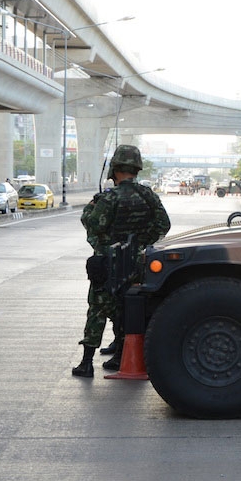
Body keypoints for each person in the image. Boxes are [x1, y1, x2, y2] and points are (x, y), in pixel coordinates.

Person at [72, 145, 170, 378]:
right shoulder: (148, 195)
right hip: (136, 262)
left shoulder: (109, 198)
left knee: (98, 308)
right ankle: (121, 355)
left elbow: (93, 225)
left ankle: (86, 362)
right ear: (137, 169)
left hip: (108, 262)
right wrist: (140, 243)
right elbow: (163, 225)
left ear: (114, 170)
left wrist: (90, 208)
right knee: (128, 308)